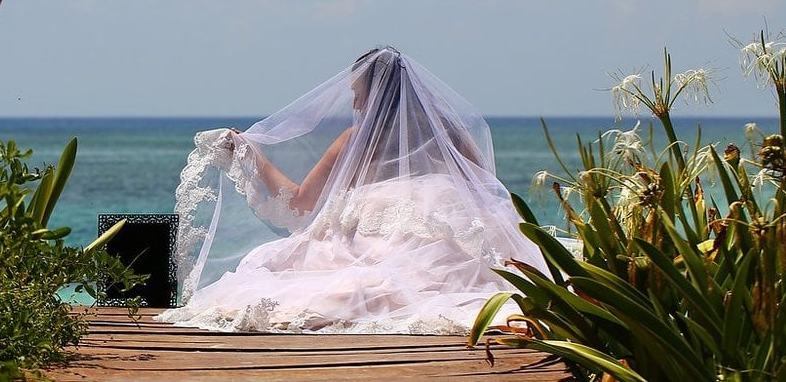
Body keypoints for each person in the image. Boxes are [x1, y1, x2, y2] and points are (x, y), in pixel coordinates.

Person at [155, 47, 544, 334]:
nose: (355, 102)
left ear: (374, 95)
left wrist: (253, 156)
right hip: (445, 238)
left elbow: (300, 205)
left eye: (358, 92)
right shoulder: (448, 134)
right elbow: (485, 189)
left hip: (376, 244)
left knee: (300, 278)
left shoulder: (356, 140)